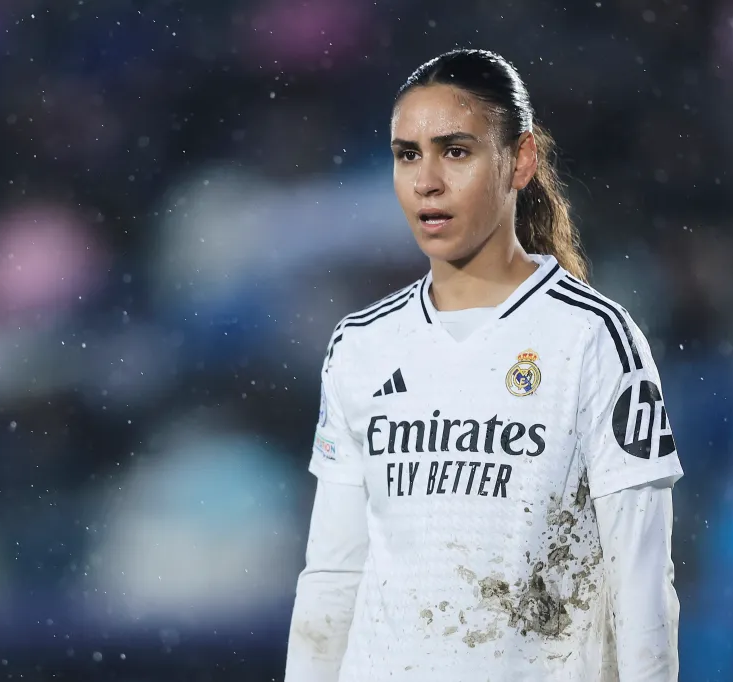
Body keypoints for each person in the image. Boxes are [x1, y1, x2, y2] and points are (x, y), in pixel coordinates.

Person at [284, 49, 682, 682]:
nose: (427, 181)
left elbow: (641, 583)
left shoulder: (593, 339)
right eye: (407, 154)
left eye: (456, 151)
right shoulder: (361, 345)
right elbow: (333, 575)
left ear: (519, 161)